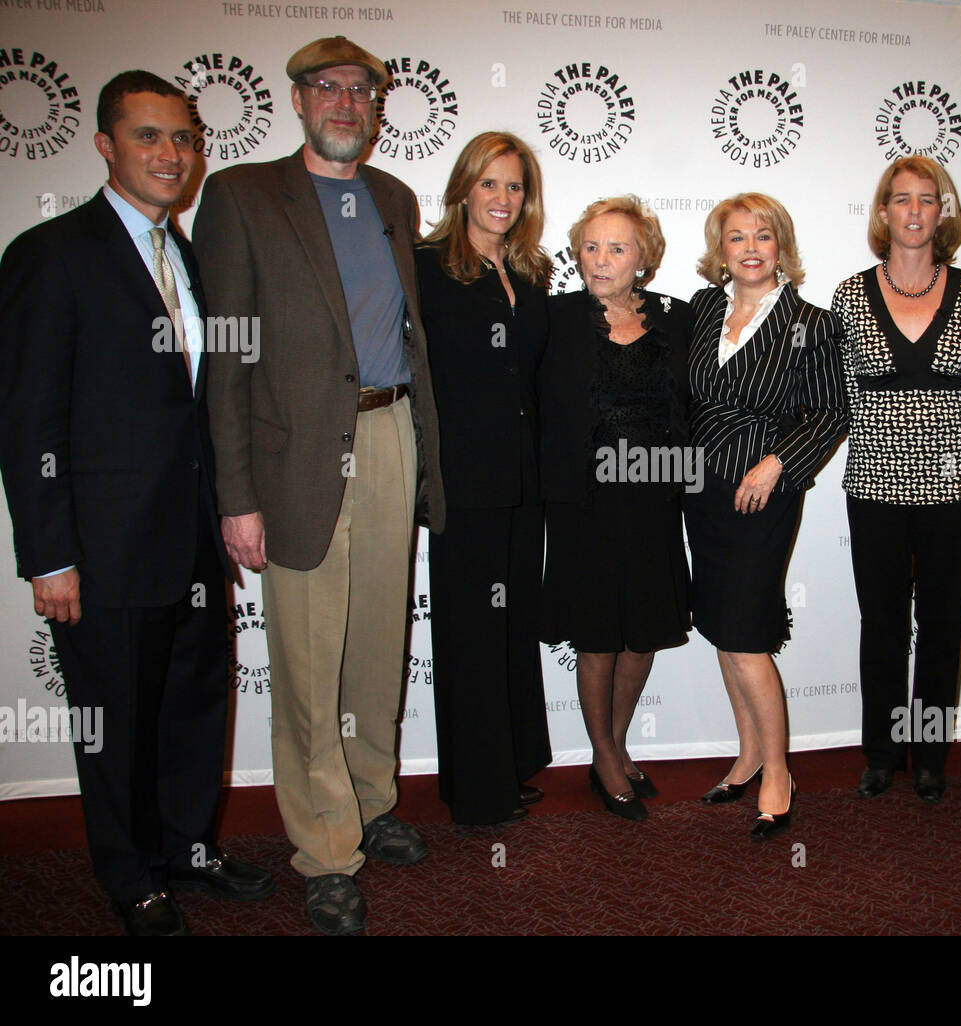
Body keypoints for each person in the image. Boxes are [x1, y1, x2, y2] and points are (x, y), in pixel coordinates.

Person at [0, 71, 273, 935]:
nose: (170, 153)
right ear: (105, 145)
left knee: (193, 711)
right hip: (103, 553)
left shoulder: (184, 253)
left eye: (183, 138)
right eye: (149, 136)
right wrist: (50, 555)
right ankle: (133, 880)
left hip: (191, 542)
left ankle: (190, 853)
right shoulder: (51, 254)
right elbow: (27, 416)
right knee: (114, 729)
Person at [193, 36, 445, 934]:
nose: (347, 103)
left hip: (390, 436)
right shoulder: (240, 195)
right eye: (328, 88)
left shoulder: (393, 199)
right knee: (306, 662)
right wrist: (235, 493)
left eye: (362, 91)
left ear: (378, 107)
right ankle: (325, 850)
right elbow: (225, 355)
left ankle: (373, 803)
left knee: (377, 644)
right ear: (297, 100)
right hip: (291, 458)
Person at [687, 193, 847, 839]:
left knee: (748, 633)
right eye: (736, 237)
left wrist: (778, 463)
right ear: (719, 249)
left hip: (762, 489)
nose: (750, 247)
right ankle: (748, 753)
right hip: (702, 487)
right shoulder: (700, 310)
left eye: (763, 235)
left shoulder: (813, 321)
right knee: (724, 628)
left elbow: (831, 412)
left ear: (781, 245)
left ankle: (779, 770)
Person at [834, 156, 961, 805]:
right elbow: (841, 395)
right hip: (874, 489)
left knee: (943, 625)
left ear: (942, 213)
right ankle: (881, 753)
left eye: (929, 199)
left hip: (954, 493)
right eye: (903, 199)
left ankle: (930, 756)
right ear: (883, 212)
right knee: (883, 626)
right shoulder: (848, 295)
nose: (916, 210)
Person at [539, 196, 693, 821]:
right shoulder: (551, 320)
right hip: (586, 500)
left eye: (617, 247)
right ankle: (603, 755)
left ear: (644, 258)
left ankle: (619, 740)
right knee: (599, 632)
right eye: (590, 246)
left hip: (656, 495)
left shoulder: (679, 319)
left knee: (644, 629)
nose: (600, 260)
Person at [416, 132, 552, 826]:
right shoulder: (424, 267)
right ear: (463, 188)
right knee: (471, 631)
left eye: (515, 186)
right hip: (463, 481)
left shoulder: (530, 274)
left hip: (524, 480)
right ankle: (476, 790)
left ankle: (509, 763)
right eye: (489, 183)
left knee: (510, 625)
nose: (502, 199)